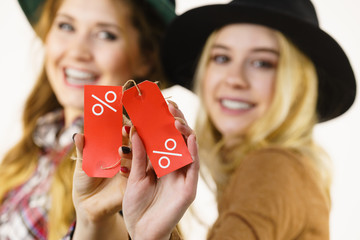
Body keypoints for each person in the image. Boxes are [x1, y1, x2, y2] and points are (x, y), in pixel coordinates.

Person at [161, 0, 357, 239]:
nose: (234, 78)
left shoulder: (272, 165)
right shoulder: (279, 167)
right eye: (222, 58)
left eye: (262, 63)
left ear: (297, 84)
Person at [0, 0, 180, 239]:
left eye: (106, 34)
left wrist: (95, 222)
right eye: (66, 26)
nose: (77, 51)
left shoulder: (130, 172)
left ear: (146, 56)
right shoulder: (34, 147)